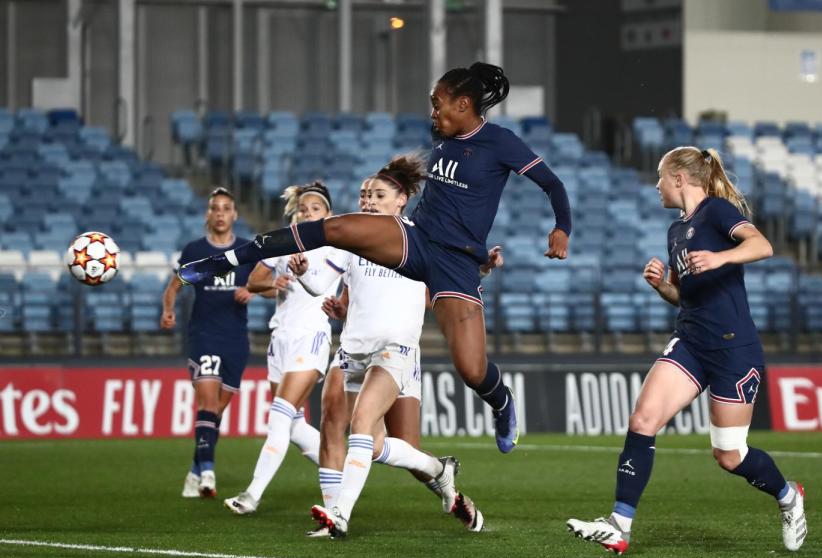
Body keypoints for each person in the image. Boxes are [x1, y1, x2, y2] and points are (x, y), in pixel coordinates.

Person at [176, 62, 572, 455]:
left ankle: (502, 403)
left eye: (438, 104)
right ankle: (227, 259)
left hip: (455, 264)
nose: (433, 113)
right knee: (334, 229)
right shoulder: (444, 137)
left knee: (471, 369)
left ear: (464, 104)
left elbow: (552, 183)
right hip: (414, 239)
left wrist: (561, 228)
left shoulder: (500, 142)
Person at [566, 147, 806, 554]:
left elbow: (762, 245)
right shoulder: (676, 231)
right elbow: (687, 297)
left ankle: (788, 496)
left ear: (679, 178)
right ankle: (619, 524)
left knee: (729, 455)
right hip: (691, 342)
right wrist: (663, 287)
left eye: (660, 177)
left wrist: (721, 257)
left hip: (733, 349)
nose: (656, 185)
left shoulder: (715, 211)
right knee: (643, 419)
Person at [310, 157, 497, 539]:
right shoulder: (352, 237)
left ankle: (341, 514)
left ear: (402, 200)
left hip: (395, 350)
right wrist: (305, 277)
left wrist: (481, 267)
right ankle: (341, 512)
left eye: (378, 194)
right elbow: (323, 283)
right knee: (358, 436)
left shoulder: (423, 238)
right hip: (352, 350)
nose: (368, 200)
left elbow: (453, 276)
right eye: (364, 194)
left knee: (369, 430)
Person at [223, 182, 339, 515]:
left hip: (311, 335)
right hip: (281, 338)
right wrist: (274, 282)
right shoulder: (284, 243)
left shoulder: (336, 247)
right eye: (303, 208)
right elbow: (254, 281)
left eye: (315, 208)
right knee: (293, 425)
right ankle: (340, 467)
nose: (308, 213)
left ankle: (252, 495)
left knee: (279, 417)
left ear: (327, 214)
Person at [161, 187, 254, 498]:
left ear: (234, 215)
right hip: (204, 335)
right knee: (208, 404)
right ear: (208, 214)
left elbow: (266, 283)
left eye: (226, 208)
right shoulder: (195, 251)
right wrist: (168, 310)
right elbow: (175, 286)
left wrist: (253, 290)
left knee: (216, 412)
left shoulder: (245, 250)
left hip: (235, 339)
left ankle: (195, 470)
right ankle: (209, 474)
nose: (220, 214)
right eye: (215, 208)